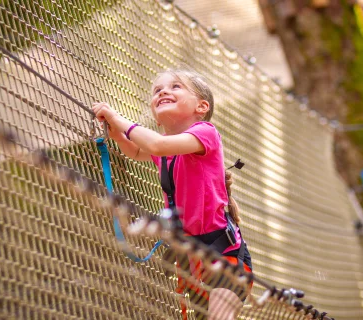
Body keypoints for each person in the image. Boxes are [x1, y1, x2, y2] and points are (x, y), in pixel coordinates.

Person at [92, 69, 253, 320]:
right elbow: (137, 152)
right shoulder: (164, 147)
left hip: (225, 255)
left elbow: (156, 145)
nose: (164, 91)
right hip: (193, 262)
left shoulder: (205, 132)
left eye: (176, 87)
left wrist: (118, 119)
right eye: (157, 91)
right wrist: (116, 134)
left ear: (201, 106)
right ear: (157, 119)